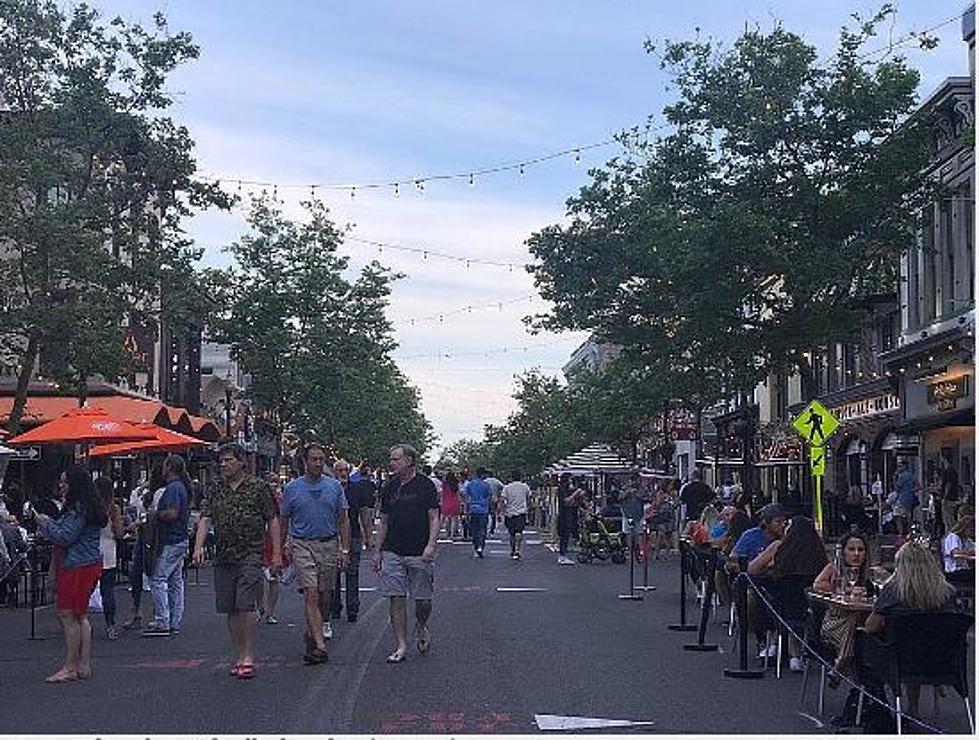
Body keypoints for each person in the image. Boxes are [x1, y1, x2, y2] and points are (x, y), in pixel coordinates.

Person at [192, 443, 282, 680]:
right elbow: (205, 517)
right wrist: (198, 546)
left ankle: (249, 655)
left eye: (229, 460)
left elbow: (272, 519)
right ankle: (239, 653)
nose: (224, 465)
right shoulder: (216, 488)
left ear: (242, 462)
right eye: (221, 461)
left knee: (245, 604)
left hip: (250, 553)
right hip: (224, 554)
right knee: (230, 607)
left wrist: (276, 554)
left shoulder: (258, 487)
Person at [861, 540, 958, 720]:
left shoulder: (893, 591)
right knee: (918, 641)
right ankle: (916, 706)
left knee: (872, 641)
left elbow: (871, 626)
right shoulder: (947, 592)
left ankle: (872, 705)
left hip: (900, 659)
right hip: (942, 659)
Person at [31, 465, 107, 683]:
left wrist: (44, 523)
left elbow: (65, 537)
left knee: (67, 614)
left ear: (74, 484)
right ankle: (83, 664)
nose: (62, 486)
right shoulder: (87, 507)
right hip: (88, 562)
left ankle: (70, 665)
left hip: (76, 564)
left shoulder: (77, 509)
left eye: (65, 482)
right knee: (80, 614)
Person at [281, 443, 350, 661]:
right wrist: (283, 545)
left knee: (324, 595)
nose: (318, 463)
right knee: (310, 591)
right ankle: (320, 646)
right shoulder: (292, 488)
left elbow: (343, 519)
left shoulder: (334, 487)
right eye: (314, 459)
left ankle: (314, 630)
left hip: (328, 543)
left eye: (321, 459)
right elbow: (284, 519)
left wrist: (344, 548)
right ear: (305, 461)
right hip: (302, 543)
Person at [372, 443, 440, 663]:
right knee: (396, 597)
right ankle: (401, 644)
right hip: (393, 549)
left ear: (409, 461)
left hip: (419, 550)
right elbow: (383, 520)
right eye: (391, 459)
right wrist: (377, 550)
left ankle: (421, 624)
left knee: (422, 600)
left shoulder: (425, 485)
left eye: (396, 459)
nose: (392, 463)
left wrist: (431, 544)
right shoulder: (390, 487)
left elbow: (434, 517)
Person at [748, 515, 828, 672]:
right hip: (810, 611)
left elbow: (752, 569)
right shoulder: (818, 553)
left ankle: (771, 642)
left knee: (758, 595)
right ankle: (794, 654)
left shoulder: (779, 547)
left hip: (779, 609)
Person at [813, 531, 875, 677]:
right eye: (851, 549)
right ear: (843, 551)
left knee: (861, 626)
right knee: (854, 623)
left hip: (863, 623)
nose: (856, 554)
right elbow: (817, 584)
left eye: (861, 550)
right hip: (835, 623)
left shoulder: (869, 573)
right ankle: (843, 662)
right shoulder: (834, 569)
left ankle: (843, 665)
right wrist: (847, 590)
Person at [143, 455, 191, 637]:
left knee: (158, 578)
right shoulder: (181, 488)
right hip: (180, 538)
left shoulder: (172, 489)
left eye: (164, 466)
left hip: (170, 539)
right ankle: (174, 620)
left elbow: (171, 513)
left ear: (169, 467)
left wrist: (154, 514)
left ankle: (162, 620)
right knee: (175, 581)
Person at [331, 458, 375, 623]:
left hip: (354, 535)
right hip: (333, 536)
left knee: (352, 572)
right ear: (335, 472)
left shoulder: (357, 489)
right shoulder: (329, 488)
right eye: (340, 470)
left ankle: (352, 609)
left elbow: (364, 513)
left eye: (345, 470)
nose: (343, 473)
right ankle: (334, 607)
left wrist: (369, 536)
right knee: (333, 573)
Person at [122, 466, 165, 630]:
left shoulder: (160, 493)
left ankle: (156, 612)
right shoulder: (146, 493)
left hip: (151, 536)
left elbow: (154, 516)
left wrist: (139, 523)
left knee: (151, 571)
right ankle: (137, 610)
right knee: (137, 572)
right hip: (143, 535)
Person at [94, 477, 124, 640]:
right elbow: (119, 532)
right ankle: (110, 624)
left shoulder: (90, 508)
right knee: (108, 590)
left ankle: (81, 623)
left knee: (87, 590)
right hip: (109, 551)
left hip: (91, 551)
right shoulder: (113, 509)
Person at [259, 472, 286, 625]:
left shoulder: (281, 500)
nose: (273, 485)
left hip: (273, 542)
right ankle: (259, 607)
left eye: (276, 482)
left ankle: (270, 612)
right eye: (270, 482)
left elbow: (284, 520)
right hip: (259, 542)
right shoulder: (258, 499)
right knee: (256, 578)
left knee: (273, 579)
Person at [500, 472, 531, 560]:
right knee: (519, 531)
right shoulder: (525, 487)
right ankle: (518, 549)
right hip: (521, 512)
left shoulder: (507, 487)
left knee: (512, 533)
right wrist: (528, 507)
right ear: (520, 477)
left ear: (511, 478)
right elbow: (528, 498)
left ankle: (512, 549)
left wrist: (501, 511)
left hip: (509, 513)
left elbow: (502, 500)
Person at [556, 474, 585, 565]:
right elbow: (566, 501)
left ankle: (563, 555)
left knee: (567, 534)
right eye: (570, 480)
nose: (571, 482)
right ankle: (562, 556)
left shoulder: (566, 489)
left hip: (568, 513)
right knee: (564, 535)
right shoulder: (562, 489)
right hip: (564, 515)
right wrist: (576, 493)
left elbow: (572, 503)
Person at [465, 469, 492, 558]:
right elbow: (489, 497)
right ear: (483, 475)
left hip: (473, 509)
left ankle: (476, 545)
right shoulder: (486, 485)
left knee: (473, 529)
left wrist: (466, 511)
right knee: (482, 529)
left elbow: (467, 498)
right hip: (484, 509)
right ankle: (480, 547)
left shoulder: (470, 484)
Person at [942, 514, 974, 584]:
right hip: (953, 571)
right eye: (971, 530)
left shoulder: (967, 540)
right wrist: (970, 553)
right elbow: (956, 552)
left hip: (964, 569)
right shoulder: (953, 537)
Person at [892, 462, 918, 536]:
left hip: (901, 499)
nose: (898, 468)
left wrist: (894, 478)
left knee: (897, 516)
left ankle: (901, 533)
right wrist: (911, 490)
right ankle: (909, 533)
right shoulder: (912, 476)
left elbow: (897, 487)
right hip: (910, 499)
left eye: (900, 466)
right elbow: (919, 486)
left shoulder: (902, 477)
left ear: (904, 466)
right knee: (908, 517)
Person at [939, 455, 961, 536]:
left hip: (948, 499)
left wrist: (945, 497)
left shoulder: (948, 471)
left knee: (948, 520)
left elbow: (948, 484)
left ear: (944, 459)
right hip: (953, 498)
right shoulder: (954, 471)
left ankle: (950, 536)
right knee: (951, 519)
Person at [440, 471, 463, 540]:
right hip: (454, 502)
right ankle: (452, 535)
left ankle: (447, 533)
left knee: (447, 518)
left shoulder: (444, 484)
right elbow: (458, 494)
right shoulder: (456, 484)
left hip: (446, 502)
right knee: (454, 519)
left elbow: (442, 494)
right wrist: (461, 503)